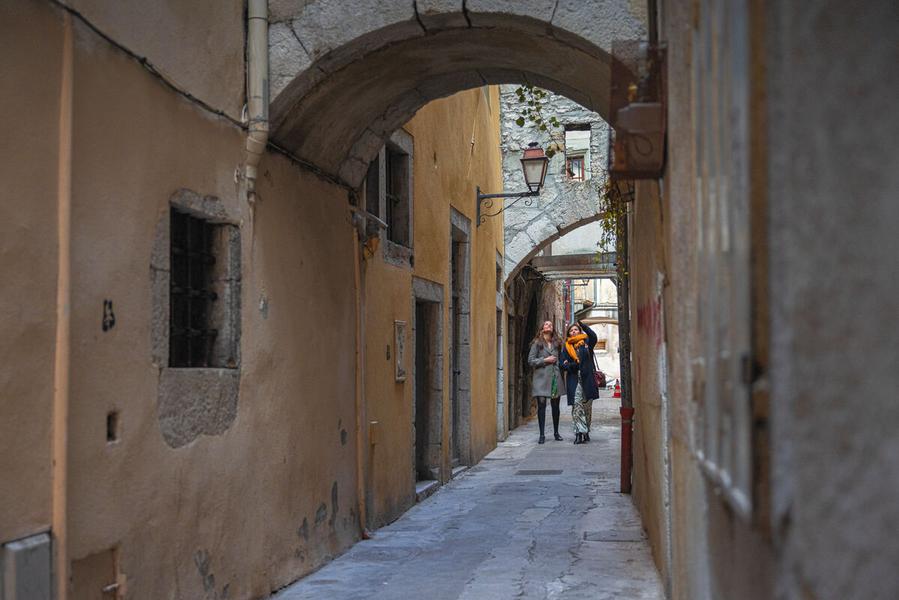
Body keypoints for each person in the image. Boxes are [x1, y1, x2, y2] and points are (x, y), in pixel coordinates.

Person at [560, 320, 599, 444]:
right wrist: (573, 365)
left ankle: (586, 430)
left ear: (579, 331)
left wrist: (583, 325)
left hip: (587, 379)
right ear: (569, 334)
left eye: (576, 329)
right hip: (574, 379)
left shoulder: (587, 342)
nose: (573, 332)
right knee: (577, 407)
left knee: (587, 407)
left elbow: (593, 336)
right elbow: (562, 364)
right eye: (571, 331)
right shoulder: (566, 347)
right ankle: (578, 433)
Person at [527, 320, 563, 444]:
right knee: (541, 405)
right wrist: (545, 360)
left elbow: (561, 358)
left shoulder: (557, 343)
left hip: (554, 378)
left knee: (555, 406)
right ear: (542, 328)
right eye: (546, 324)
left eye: (551, 325)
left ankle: (556, 432)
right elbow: (531, 361)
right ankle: (542, 434)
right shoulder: (537, 343)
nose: (549, 326)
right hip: (541, 379)